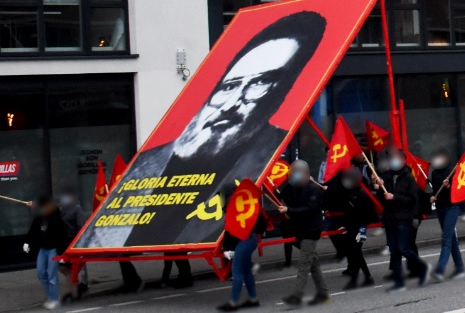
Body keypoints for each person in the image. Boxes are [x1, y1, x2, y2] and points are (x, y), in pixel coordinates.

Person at [81, 12, 327, 250]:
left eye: (260, 84)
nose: (231, 104)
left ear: (282, 93)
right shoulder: (147, 162)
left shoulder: (268, 157)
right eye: (229, 86)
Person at [278, 160, 328, 306]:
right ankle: (323, 293)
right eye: (292, 172)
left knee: (304, 264)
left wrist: (289, 211)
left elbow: (309, 209)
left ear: (306, 174)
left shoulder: (314, 190)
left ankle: (296, 297)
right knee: (313, 264)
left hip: (311, 231)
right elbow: (285, 198)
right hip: (300, 230)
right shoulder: (292, 188)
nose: (294, 175)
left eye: (298, 172)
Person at [381, 150, 428, 291]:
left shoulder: (408, 178)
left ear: (403, 161)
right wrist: (378, 187)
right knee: (394, 251)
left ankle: (422, 266)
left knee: (403, 248)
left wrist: (394, 197)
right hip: (390, 218)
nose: (394, 161)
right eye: (391, 159)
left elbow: (412, 200)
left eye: (397, 158)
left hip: (403, 218)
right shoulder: (386, 177)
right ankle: (398, 282)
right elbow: (382, 198)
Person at [218, 186, 267, 311]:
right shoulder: (250, 202)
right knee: (246, 270)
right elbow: (263, 223)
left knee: (237, 271)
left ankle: (233, 303)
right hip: (251, 239)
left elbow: (230, 230)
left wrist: (227, 248)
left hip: (242, 241)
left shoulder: (232, 207)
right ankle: (253, 299)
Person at [328, 166, 376, 289]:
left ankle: (355, 280)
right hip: (351, 226)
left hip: (360, 228)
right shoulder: (348, 192)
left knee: (355, 252)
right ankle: (367, 277)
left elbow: (370, 213)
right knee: (356, 253)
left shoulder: (361, 194)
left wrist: (362, 229)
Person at [427, 148, 465, 281]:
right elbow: (436, 191)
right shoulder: (435, 173)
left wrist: (449, 186)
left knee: (446, 238)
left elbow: (458, 190)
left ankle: (440, 269)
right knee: (452, 239)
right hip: (440, 208)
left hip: (452, 208)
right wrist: (433, 197)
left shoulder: (452, 171)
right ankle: (459, 267)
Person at [27, 195, 67, 310]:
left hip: (53, 249)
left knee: (51, 275)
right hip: (43, 249)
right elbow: (32, 231)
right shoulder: (39, 218)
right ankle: (52, 297)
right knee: (41, 273)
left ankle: (54, 299)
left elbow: (63, 237)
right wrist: (27, 242)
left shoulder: (56, 218)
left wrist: (62, 254)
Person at [54, 189, 87, 302]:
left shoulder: (76, 209)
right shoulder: (61, 209)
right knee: (63, 267)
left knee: (72, 269)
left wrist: (79, 244)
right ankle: (77, 287)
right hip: (63, 244)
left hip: (74, 243)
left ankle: (70, 293)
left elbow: (81, 227)